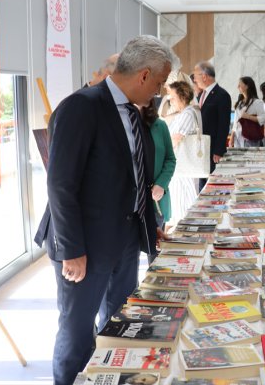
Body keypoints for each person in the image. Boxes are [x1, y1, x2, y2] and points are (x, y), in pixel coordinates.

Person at [34, 35, 173, 385]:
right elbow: (60, 184)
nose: (158, 91)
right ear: (143, 75)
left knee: (117, 325)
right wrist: (72, 250)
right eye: (158, 83)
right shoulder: (81, 106)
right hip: (85, 247)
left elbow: (134, 178)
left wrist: (149, 223)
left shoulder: (134, 114)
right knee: (77, 334)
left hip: (124, 240)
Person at [141, 100, 176, 264]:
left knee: (155, 254)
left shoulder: (160, 126)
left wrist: (161, 183)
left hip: (156, 200)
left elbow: (170, 159)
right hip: (133, 202)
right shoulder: (121, 124)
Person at [166, 80, 201, 225]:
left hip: (183, 168)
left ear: (183, 96)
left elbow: (176, 138)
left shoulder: (188, 114)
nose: (170, 100)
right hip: (179, 168)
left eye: (173, 97)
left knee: (183, 207)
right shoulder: (182, 114)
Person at [193, 62, 231, 190]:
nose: (194, 79)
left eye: (195, 76)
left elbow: (223, 125)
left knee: (210, 185)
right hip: (202, 148)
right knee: (202, 180)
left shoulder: (222, 95)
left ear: (204, 76)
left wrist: (219, 150)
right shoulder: (202, 94)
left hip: (213, 148)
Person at [230, 76, 265, 148]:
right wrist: (232, 137)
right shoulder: (239, 103)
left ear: (247, 86)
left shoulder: (257, 102)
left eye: (240, 84)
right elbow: (235, 122)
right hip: (238, 137)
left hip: (250, 138)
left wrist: (248, 117)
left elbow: (263, 118)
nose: (238, 86)